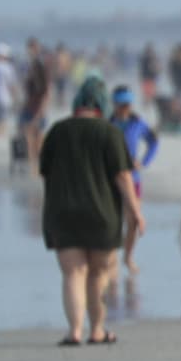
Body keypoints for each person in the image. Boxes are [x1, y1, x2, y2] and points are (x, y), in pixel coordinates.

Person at [40, 77, 146, 346]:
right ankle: (97, 329)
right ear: (101, 104)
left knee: (73, 274)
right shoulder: (110, 133)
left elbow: (45, 174)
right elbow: (123, 177)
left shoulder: (57, 132)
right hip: (102, 215)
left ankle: (74, 331)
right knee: (98, 274)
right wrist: (135, 212)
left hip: (63, 214)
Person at [109, 86, 159, 274]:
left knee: (133, 221)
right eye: (120, 105)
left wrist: (144, 161)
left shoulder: (138, 123)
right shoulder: (108, 123)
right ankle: (111, 257)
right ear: (114, 104)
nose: (124, 108)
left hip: (133, 178)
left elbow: (153, 142)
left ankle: (128, 257)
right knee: (113, 221)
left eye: (127, 105)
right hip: (110, 179)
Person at [19, 39, 52, 164]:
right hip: (32, 106)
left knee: (33, 134)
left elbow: (45, 92)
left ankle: (35, 162)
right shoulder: (32, 66)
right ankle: (34, 162)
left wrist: (41, 109)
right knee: (33, 134)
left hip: (36, 106)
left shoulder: (39, 67)